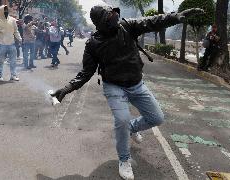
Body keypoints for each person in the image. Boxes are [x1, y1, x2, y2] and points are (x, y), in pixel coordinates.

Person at [51, 6, 203, 180]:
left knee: (157, 118)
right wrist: (66, 89)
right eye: (109, 15)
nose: (115, 15)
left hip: (136, 84)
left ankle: (131, 128)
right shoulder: (93, 44)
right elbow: (86, 73)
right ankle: (124, 159)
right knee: (122, 120)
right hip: (114, 86)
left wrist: (177, 17)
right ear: (101, 22)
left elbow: (153, 21)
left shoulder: (128, 26)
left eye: (114, 12)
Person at [0, 5, 22, 81]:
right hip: (1, 45)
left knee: (13, 61)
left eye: (6, 10)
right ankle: (0, 76)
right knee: (0, 61)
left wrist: (20, 39)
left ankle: (13, 75)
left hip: (11, 44)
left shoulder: (13, 20)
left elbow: (16, 31)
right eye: (4, 10)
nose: (6, 12)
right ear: (1, 11)